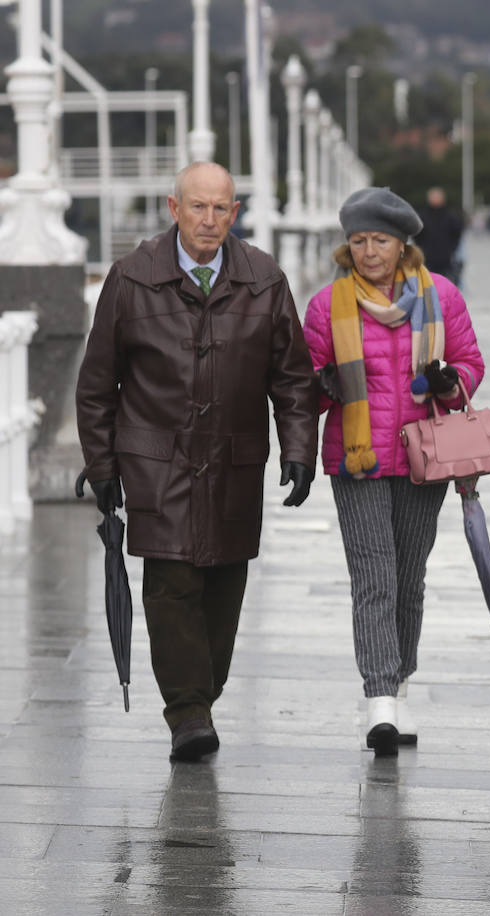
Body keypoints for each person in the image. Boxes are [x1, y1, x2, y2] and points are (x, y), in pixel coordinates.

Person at [74, 161, 318, 763]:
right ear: (173, 207)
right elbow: (98, 382)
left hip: (233, 459)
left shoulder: (264, 279)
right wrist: (102, 464)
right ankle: (187, 713)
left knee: (223, 584)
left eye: (221, 209)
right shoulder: (131, 279)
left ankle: (200, 698)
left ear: (235, 214)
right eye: (198, 207)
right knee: (172, 583)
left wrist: (298, 448)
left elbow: (292, 379)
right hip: (157, 460)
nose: (209, 220)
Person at [302, 187, 485, 757]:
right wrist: (320, 385)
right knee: (373, 575)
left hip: (422, 457)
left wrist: (450, 381)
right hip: (355, 461)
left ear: (401, 243)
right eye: (358, 241)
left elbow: (471, 363)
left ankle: (399, 681)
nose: (368, 252)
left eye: (379, 240)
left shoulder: (442, 297)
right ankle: (379, 698)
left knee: (409, 576)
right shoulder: (327, 306)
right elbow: (302, 383)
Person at [414, 186, 466, 287]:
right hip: (427, 258)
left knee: (445, 286)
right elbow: (417, 234)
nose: (435, 199)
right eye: (433, 197)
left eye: (438, 197)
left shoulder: (451, 216)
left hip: (446, 258)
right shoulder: (422, 216)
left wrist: (452, 248)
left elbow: (457, 233)